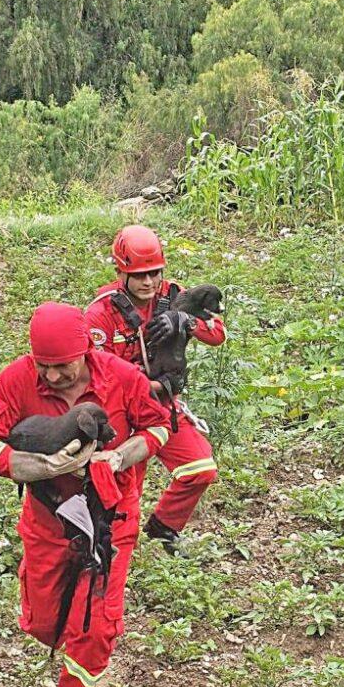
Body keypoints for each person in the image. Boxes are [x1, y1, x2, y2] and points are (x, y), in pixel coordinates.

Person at [0, 302, 171, 687]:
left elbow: (158, 428)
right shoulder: (15, 380)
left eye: (62, 367)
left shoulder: (120, 377)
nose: (54, 377)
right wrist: (37, 466)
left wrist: (120, 456)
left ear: (86, 352)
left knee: (96, 623)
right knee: (46, 620)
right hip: (48, 522)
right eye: (45, 367)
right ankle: (58, 629)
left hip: (110, 522)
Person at [85, 224, 224, 554]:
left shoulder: (176, 295)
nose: (149, 282)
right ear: (122, 272)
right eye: (140, 275)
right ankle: (107, 548)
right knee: (124, 487)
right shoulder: (100, 313)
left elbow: (218, 335)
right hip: (122, 411)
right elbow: (98, 374)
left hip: (163, 404)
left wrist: (186, 322)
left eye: (154, 273)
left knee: (201, 468)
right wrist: (147, 384)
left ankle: (163, 529)